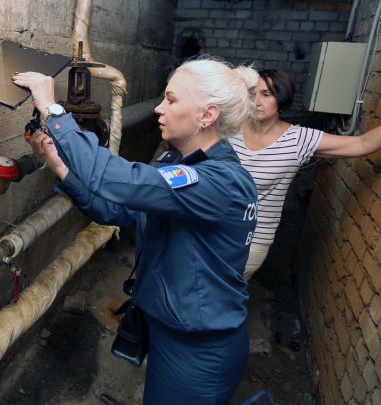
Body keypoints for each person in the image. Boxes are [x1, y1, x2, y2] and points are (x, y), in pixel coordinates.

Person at [13, 58, 259, 404]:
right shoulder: (178, 164)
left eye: (171, 100)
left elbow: (114, 179)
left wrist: (53, 111)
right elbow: (114, 209)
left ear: (207, 115)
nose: (159, 108)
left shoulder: (219, 182)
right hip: (171, 333)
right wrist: (59, 164)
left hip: (198, 351)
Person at [233, 60, 381, 279]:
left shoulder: (298, 139)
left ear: (282, 100)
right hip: (215, 230)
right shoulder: (231, 128)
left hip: (252, 241)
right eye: (252, 94)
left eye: (266, 94)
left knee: (224, 294)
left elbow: (362, 144)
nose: (256, 102)